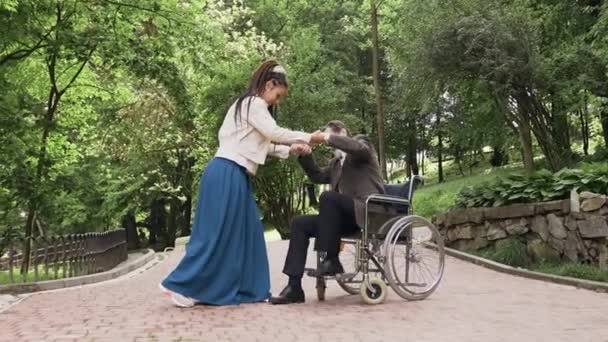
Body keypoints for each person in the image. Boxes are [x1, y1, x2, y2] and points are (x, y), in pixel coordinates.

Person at [159, 60, 324, 307]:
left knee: (247, 234)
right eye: (278, 95)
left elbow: (262, 144)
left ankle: (249, 289)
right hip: (226, 172)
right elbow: (274, 132)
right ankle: (179, 285)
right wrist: (310, 137)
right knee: (215, 235)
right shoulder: (253, 104)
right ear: (270, 84)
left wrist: (292, 149)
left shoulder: (246, 107)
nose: (277, 102)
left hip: (235, 175)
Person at [270, 120, 385, 305]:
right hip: (343, 217)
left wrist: (327, 137)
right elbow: (316, 175)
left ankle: (332, 259)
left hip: (368, 210)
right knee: (300, 223)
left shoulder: (362, 147)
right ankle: (294, 287)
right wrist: (306, 154)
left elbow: (356, 148)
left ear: (344, 134)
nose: (331, 143)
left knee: (329, 197)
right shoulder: (336, 164)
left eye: (335, 137)